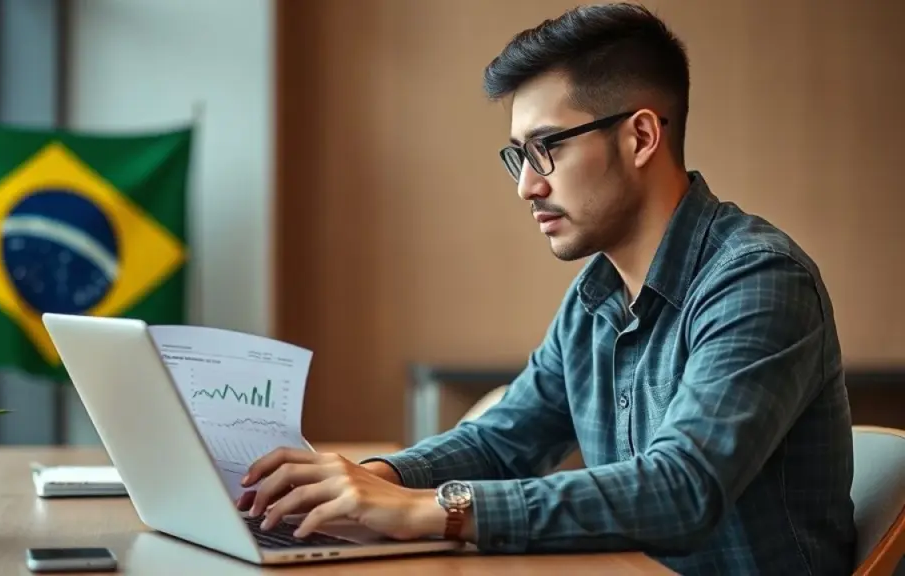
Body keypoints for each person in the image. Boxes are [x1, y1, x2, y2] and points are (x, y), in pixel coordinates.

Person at [237, 2, 857, 574]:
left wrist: (432, 510)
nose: (527, 186)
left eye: (546, 149)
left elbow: (682, 488)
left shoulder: (759, 280)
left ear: (641, 137)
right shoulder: (595, 299)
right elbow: (503, 442)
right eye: (519, 156)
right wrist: (372, 479)